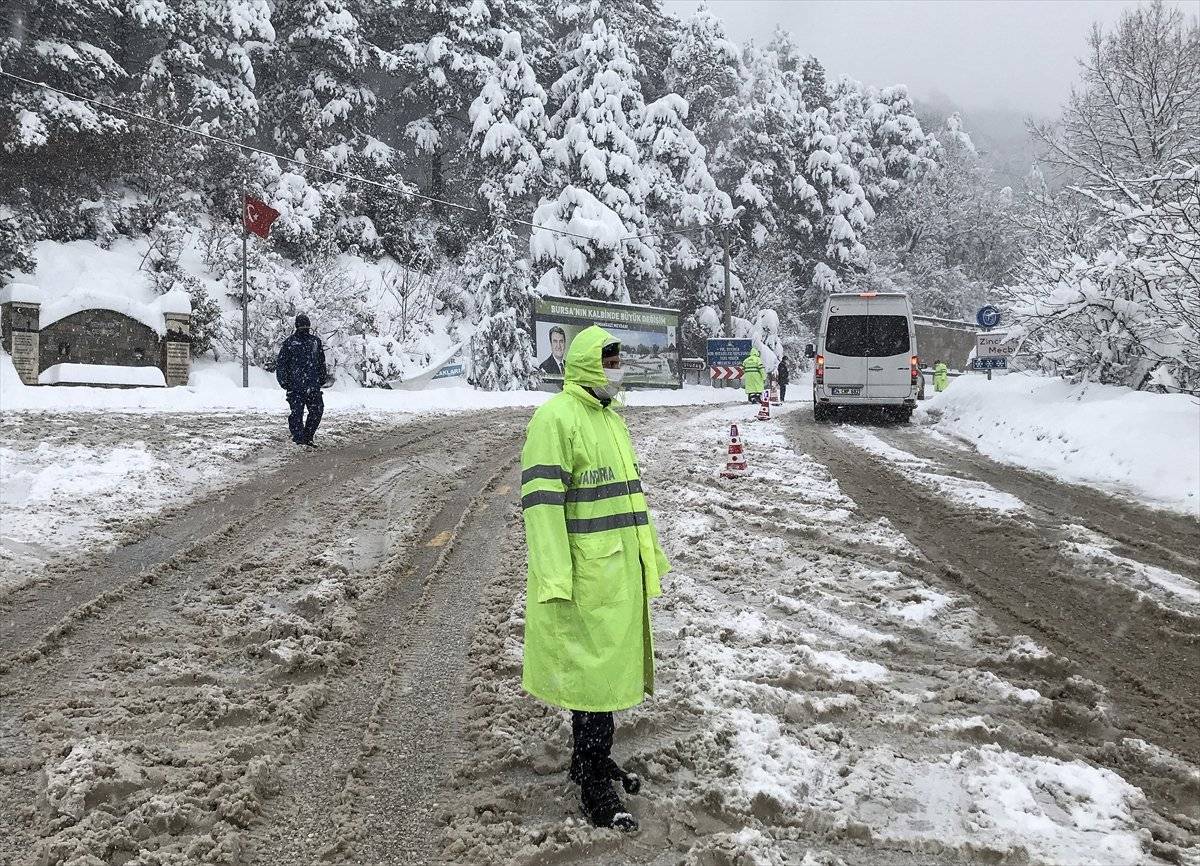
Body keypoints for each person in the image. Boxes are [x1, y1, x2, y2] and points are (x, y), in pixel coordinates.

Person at [519, 325, 671, 833]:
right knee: (591, 684)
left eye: (617, 360)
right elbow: (541, 509)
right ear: (587, 364)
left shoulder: (610, 421)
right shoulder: (555, 419)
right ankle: (591, 784)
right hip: (586, 579)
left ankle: (592, 759)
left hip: (617, 576)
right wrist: (556, 578)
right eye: (609, 361)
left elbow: (631, 502)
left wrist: (650, 558)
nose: (616, 368)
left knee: (604, 680)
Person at [276, 313, 327, 446]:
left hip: (300, 385)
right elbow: (321, 362)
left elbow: (281, 364)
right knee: (312, 411)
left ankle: (302, 437)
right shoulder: (312, 342)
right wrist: (321, 378)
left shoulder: (292, 342)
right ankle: (304, 437)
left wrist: (284, 382)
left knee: (298, 413)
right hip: (306, 385)